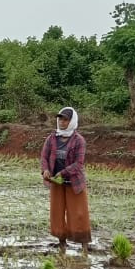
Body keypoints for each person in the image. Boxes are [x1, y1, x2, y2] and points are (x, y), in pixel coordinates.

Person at [41, 106, 92, 254]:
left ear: (72, 121)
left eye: (65, 119)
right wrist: (46, 170)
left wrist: (62, 173)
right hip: (56, 181)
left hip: (74, 182)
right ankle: (62, 243)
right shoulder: (52, 138)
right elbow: (44, 157)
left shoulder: (79, 140)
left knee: (79, 213)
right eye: (60, 119)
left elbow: (78, 164)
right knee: (57, 212)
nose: (62, 122)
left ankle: (84, 245)